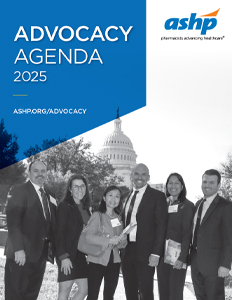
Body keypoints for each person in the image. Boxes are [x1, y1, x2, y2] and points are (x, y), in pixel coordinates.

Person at [4, 160, 57, 300]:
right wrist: (18, 250)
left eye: (43, 171)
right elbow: (13, 222)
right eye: (36, 171)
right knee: (14, 295)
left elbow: (51, 223)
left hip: (40, 256)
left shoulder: (49, 194)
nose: (40, 174)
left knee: (31, 295)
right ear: (29, 172)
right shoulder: (19, 190)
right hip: (20, 256)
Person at [121, 163, 168, 300]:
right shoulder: (125, 197)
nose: (139, 177)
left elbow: (161, 227)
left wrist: (156, 253)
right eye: (136, 174)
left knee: (145, 292)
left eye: (143, 174)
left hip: (147, 253)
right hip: (126, 251)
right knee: (129, 291)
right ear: (131, 176)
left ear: (148, 177)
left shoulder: (157, 196)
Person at [191, 169, 232, 300]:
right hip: (196, 263)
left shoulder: (225, 206)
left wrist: (226, 265)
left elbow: (229, 237)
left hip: (215, 266)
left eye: (211, 182)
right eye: (205, 181)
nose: (207, 185)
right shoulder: (198, 204)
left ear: (218, 185)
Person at [157, 173, 194, 300]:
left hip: (177, 256)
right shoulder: (163, 203)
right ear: (166, 186)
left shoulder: (187, 206)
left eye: (176, 183)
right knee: (163, 292)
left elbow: (187, 233)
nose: (173, 186)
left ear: (182, 186)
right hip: (162, 256)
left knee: (175, 293)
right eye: (170, 183)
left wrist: (182, 258)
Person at [85, 185, 127, 300]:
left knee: (109, 296)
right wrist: (108, 240)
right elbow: (89, 237)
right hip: (97, 261)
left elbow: (120, 245)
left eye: (117, 196)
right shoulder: (97, 215)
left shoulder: (118, 218)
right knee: (92, 295)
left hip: (114, 262)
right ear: (104, 198)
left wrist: (123, 241)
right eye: (110, 195)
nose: (113, 199)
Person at [56, 174, 91, 300]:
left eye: (82, 186)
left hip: (81, 255)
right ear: (70, 189)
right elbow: (58, 233)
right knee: (65, 290)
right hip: (67, 253)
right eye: (75, 187)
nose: (79, 189)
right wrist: (63, 257)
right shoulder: (64, 206)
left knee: (85, 289)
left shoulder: (86, 208)